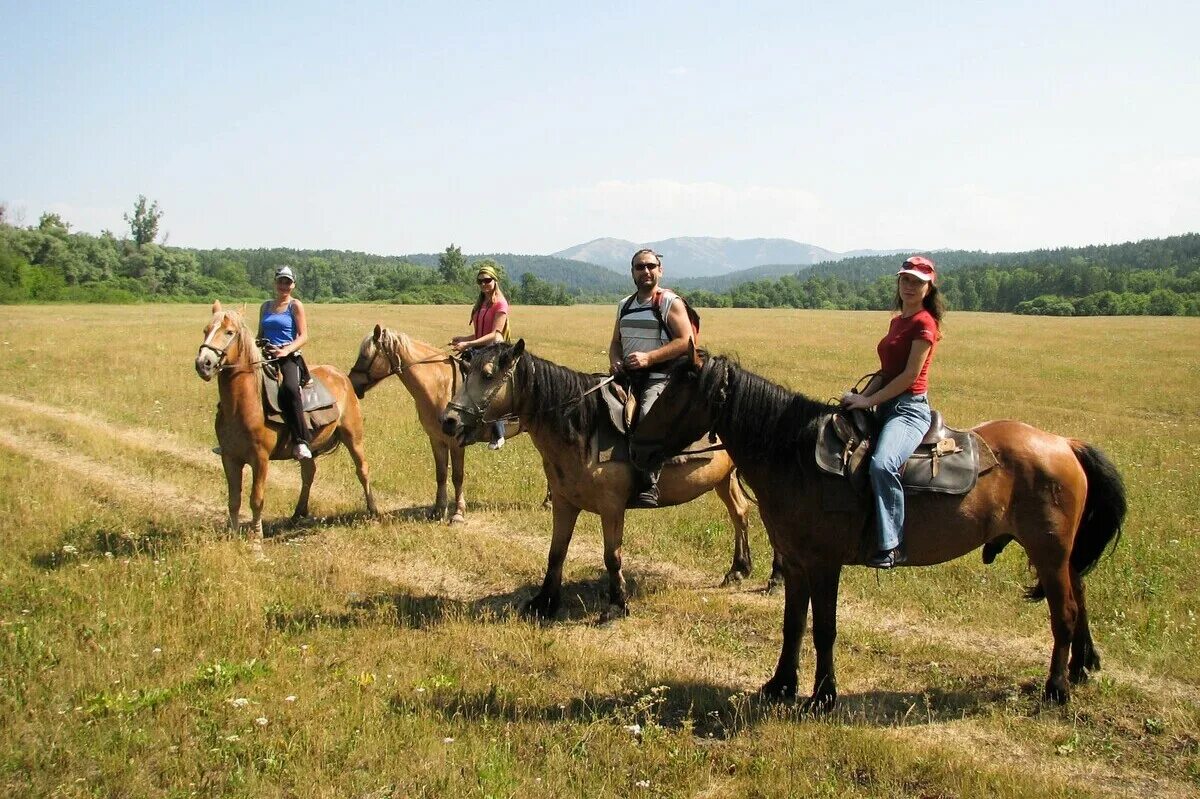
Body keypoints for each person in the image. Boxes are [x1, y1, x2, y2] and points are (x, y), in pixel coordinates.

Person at [841, 255, 944, 568]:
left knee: (883, 465)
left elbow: (909, 377)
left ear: (929, 288)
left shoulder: (925, 324)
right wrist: (858, 397)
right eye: (905, 279)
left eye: (916, 281)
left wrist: (869, 402)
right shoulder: (897, 321)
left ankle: (893, 545)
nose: (909, 286)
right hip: (885, 403)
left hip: (909, 410)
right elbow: (886, 372)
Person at [609, 248, 694, 507]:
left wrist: (650, 358)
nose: (645, 271)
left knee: (647, 417)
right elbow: (615, 342)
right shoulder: (625, 305)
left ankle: (649, 483)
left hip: (661, 376)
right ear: (632, 272)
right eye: (639, 267)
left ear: (660, 269)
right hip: (628, 376)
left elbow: (686, 341)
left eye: (650, 266)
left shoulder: (669, 302)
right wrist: (615, 360)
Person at [451, 261, 511, 450]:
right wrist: (463, 338)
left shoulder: (500, 303)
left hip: (494, 349)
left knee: (488, 385)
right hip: (480, 348)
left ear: (495, 281)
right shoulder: (481, 304)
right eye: (480, 281)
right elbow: (479, 333)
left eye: (487, 280)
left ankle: (499, 433)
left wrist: (468, 344)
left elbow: (495, 334)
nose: (484, 284)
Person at [259, 265, 313, 460]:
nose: (284, 285)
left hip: (288, 357)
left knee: (289, 389)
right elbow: (260, 334)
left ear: (293, 285)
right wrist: (260, 344)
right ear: (275, 283)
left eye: (287, 282)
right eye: (281, 281)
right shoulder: (265, 306)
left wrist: (285, 350)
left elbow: (303, 335)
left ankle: (301, 441)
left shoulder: (295, 305)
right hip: (266, 356)